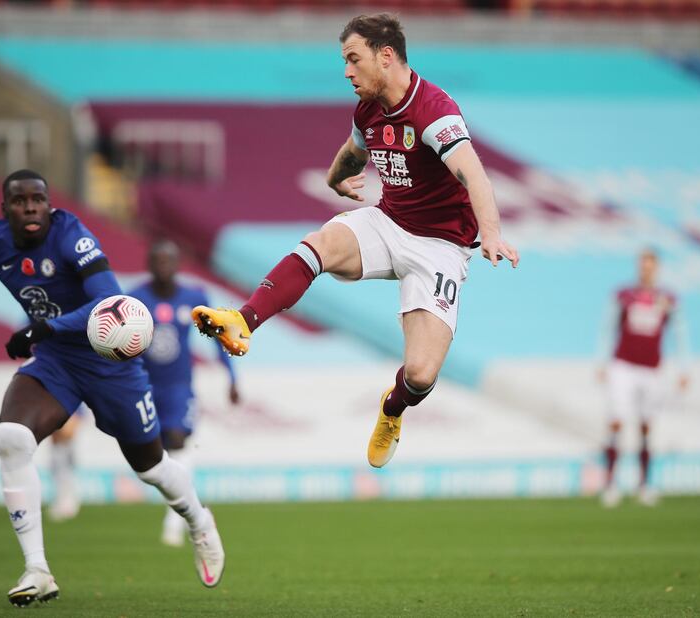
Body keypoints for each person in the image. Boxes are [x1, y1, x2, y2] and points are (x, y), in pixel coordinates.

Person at [191, 14, 518, 468]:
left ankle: (393, 408)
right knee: (319, 243)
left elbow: (472, 171)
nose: (346, 71)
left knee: (421, 375)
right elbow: (353, 152)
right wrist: (334, 179)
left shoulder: (433, 110)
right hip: (389, 222)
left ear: (386, 57)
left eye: (353, 59)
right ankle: (243, 320)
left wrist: (493, 232)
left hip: (441, 246)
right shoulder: (367, 109)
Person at [0, 170, 225, 607]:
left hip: (109, 363)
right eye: (20, 201)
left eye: (38, 200)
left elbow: (110, 301)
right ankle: (37, 569)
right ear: (4, 209)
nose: (30, 207)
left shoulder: (72, 236)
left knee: (150, 468)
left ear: (50, 204)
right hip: (56, 363)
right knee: (11, 439)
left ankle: (199, 521)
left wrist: (44, 327)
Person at [129, 240, 240, 547]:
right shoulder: (135, 299)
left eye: (169, 260)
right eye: (158, 260)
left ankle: (174, 521)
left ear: (177, 265)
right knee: (155, 454)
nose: (163, 266)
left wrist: (230, 376)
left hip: (179, 388)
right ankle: (182, 507)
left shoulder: (194, 297)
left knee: (178, 439)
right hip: (145, 386)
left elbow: (218, 339)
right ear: (150, 264)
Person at [598, 248, 690, 507]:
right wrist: (602, 361)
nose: (646, 269)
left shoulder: (668, 299)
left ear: (656, 268)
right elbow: (608, 327)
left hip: (652, 368)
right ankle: (611, 483)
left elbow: (679, 333)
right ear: (638, 267)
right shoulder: (624, 295)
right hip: (623, 365)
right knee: (617, 421)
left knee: (647, 425)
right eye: (642, 264)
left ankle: (644, 483)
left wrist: (684, 367)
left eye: (650, 265)